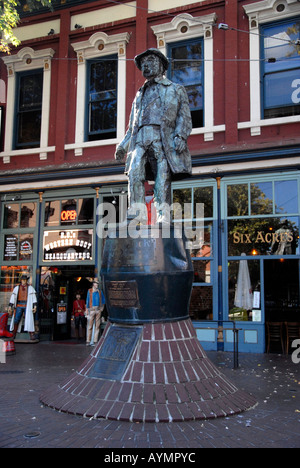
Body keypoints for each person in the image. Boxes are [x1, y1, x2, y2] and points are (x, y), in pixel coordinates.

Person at [115, 48, 192, 223]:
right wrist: (123, 145)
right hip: (140, 140)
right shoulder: (139, 95)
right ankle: (137, 214)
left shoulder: (175, 89)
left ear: (162, 65)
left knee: (162, 177)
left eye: (150, 61)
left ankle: (164, 214)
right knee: (134, 172)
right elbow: (132, 127)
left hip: (162, 139)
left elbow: (184, 116)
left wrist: (180, 135)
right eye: (143, 63)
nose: (146, 65)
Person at [8, 274, 37, 341]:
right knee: (16, 319)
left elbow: (34, 298)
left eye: (25, 280)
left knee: (29, 320)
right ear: (21, 280)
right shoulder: (16, 288)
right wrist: (10, 306)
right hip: (19, 305)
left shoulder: (30, 288)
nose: (24, 281)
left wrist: (35, 306)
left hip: (27, 305)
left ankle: (31, 334)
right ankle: (13, 333)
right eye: (23, 280)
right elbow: (13, 297)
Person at [86, 279, 105, 346]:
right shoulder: (90, 291)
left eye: (97, 283)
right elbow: (87, 301)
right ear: (93, 284)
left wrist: (101, 309)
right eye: (96, 283)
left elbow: (103, 300)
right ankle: (88, 341)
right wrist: (87, 310)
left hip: (98, 309)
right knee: (90, 326)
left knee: (97, 326)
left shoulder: (100, 291)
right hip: (92, 309)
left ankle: (95, 341)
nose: (97, 285)